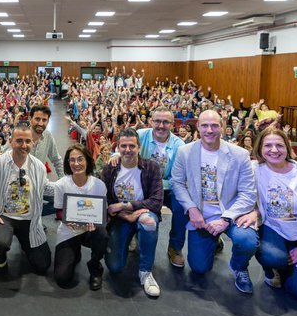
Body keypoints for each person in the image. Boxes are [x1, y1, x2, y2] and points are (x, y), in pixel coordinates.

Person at [171, 110, 258, 294]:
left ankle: (239, 267)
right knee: (199, 268)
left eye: (214, 125)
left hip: (232, 214)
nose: (209, 130)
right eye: (204, 125)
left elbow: (248, 193)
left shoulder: (240, 154)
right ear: (198, 128)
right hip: (201, 217)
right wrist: (191, 208)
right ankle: (215, 240)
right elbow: (177, 183)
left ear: (222, 127)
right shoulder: (185, 152)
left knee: (247, 241)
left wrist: (226, 219)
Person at [238, 128, 297, 303]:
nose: (274, 150)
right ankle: (272, 268)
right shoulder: (254, 169)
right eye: (268, 145)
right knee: (272, 257)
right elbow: (241, 192)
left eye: (279, 145)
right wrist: (254, 211)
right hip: (272, 230)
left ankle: (287, 267)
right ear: (260, 148)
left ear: (287, 147)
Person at [0, 123, 53, 274]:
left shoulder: (39, 167)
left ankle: (25, 242)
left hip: (29, 219)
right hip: (3, 216)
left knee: (43, 265)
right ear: (10, 141)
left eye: (28, 141)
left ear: (32, 142)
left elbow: (46, 187)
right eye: (19, 141)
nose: (24, 145)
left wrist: (74, 186)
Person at [102, 128, 163, 297]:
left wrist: (125, 206)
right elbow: (105, 201)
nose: (127, 150)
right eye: (123, 146)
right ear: (117, 147)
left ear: (139, 147)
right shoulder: (110, 169)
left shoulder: (151, 167)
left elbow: (156, 202)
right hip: (120, 218)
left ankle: (146, 272)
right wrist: (124, 214)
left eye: (132, 146)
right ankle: (131, 237)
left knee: (148, 222)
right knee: (114, 266)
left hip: (143, 213)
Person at [54, 144, 108, 290]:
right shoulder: (60, 185)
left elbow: (103, 214)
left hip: (91, 231)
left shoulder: (99, 185)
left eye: (80, 159)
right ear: (68, 163)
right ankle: (74, 251)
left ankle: (95, 267)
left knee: (102, 234)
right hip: (69, 231)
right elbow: (59, 211)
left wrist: (95, 223)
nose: (76, 164)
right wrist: (68, 220)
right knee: (62, 278)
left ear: (87, 161)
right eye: (72, 160)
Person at [136, 106, 186, 267]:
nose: (161, 126)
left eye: (166, 122)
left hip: (169, 187)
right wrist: (115, 156)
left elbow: (178, 178)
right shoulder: (140, 135)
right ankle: (133, 235)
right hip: (143, 187)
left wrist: (156, 183)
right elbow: (124, 151)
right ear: (151, 121)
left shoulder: (180, 145)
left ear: (172, 124)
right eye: (157, 121)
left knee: (183, 205)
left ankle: (175, 247)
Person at [29, 104, 64, 176]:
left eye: (44, 120)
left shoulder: (48, 136)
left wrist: (62, 179)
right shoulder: (19, 135)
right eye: (37, 119)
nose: (40, 123)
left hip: (40, 181)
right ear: (30, 119)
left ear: (48, 122)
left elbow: (57, 160)